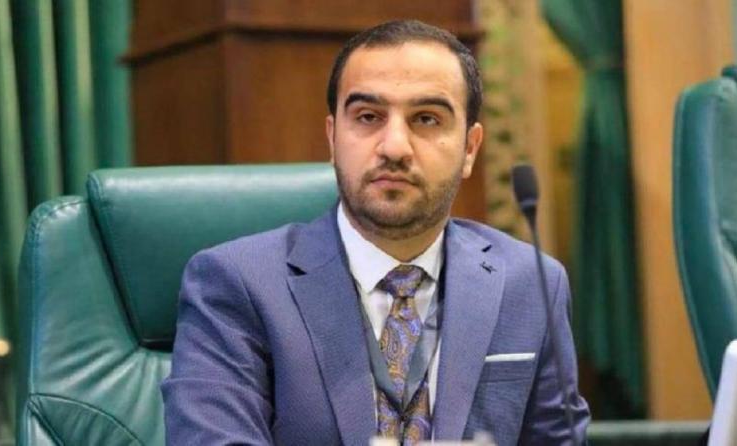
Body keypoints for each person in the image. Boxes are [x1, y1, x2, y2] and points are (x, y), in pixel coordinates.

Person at [162, 19, 590, 445]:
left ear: (470, 148)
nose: (394, 147)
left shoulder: (530, 284)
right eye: (368, 117)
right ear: (333, 139)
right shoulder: (238, 284)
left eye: (426, 119)